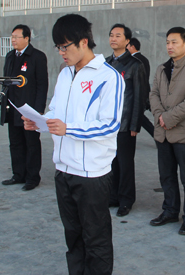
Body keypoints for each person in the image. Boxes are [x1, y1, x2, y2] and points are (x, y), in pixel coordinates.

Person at [23, 14, 124, 275]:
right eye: (58, 47)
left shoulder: (109, 77)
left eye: (65, 46)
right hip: (63, 170)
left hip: (91, 174)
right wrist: (39, 122)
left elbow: (110, 124)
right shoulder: (65, 75)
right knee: (73, 237)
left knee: (96, 240)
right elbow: (56, 112)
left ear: (83, 42)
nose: (61, 53)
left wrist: (69, 129)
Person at [149, 27, 185, 236]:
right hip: (163, 133)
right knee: (166, 176)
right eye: (167, 42)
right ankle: (170, 211)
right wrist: (159, 116)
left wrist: (169, 118)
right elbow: (153, 94)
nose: (170, 46)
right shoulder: (161, 69)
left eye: (174, 42)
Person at [0, 24, 48, 191]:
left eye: (17, 37)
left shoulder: (37, 57)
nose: (13, 40)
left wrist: (38, 110)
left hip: (29, 109)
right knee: (15, 142)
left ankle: (32, 178)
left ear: (27, 38)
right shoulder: (10, 56)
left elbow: (42, 84)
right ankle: (18, 174)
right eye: (12, 37)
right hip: (12, 107)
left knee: (31, 143)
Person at [106, 24, 147, 217]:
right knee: (110, 162)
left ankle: (126, 199)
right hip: (108, 123)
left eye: (118, 36)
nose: (113, 39)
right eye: (111, 35)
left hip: (125, 123)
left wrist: (134, 124)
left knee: (125, 163)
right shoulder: (105, 63)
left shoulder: (135, 65)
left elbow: (139, 96)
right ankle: (113, 196)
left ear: (127, 41)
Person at [127, 37, 154, 137]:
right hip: (144, 92)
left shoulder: (135, 60)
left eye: (127, 46)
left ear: (132, 47)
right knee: (139, 117)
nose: (126, 48)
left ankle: (156, 135)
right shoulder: (143, 59)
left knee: (139, 117)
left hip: (139, 94)